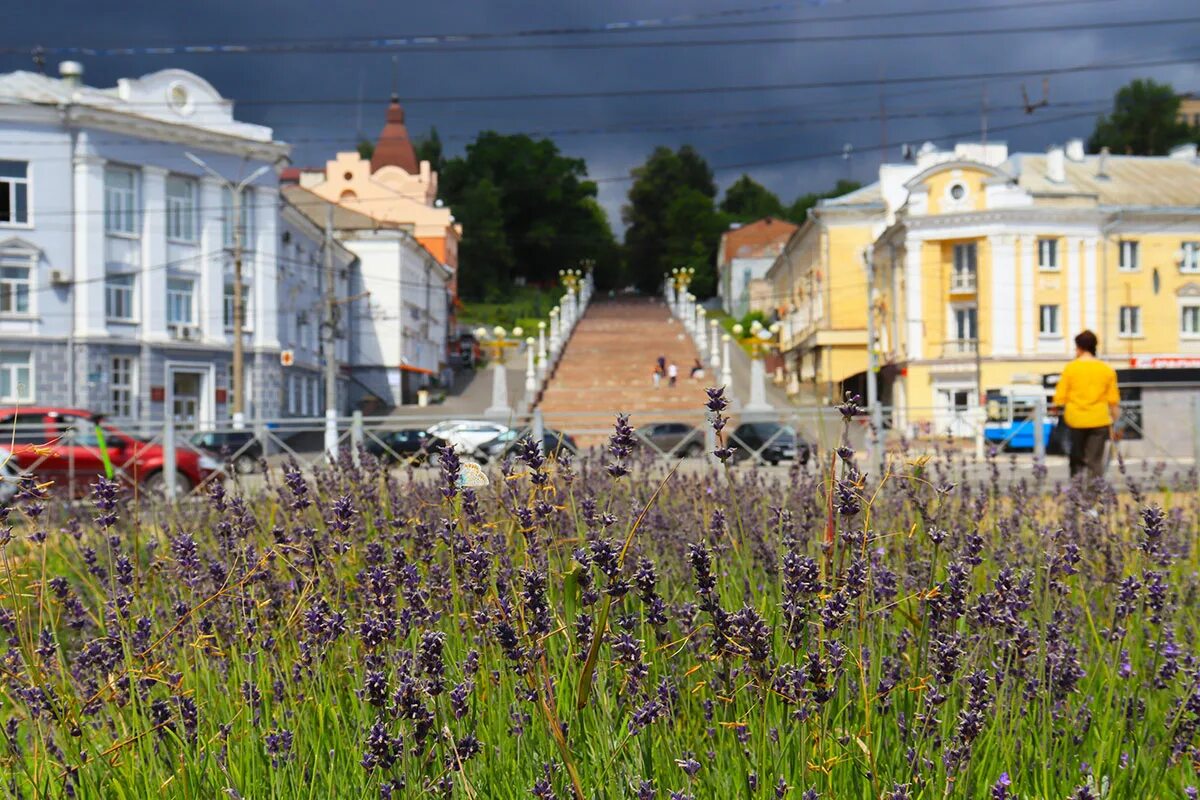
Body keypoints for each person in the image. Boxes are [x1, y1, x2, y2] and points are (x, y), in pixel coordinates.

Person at [1051, 329, 1119, 480]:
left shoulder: (1071, 368)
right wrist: (1114, 421)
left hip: (1076, 420)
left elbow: (1060, 397)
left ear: (1079, 347)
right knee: (1095, 461)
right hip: (1099, 420)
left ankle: (1076, 489)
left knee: (1076, 457)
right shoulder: (1106, 369)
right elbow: (1113, 400)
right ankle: (1094, 490)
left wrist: (1055, 409)